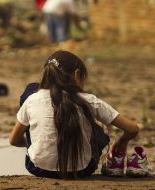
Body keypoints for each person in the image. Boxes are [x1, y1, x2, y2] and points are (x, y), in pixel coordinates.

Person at [9, 50, 153, 179]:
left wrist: (37, 142)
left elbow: (13, 140)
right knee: (98, 130)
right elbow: (132, 129)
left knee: (31, 88)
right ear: (77, 74)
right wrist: (122, 142)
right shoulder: (89, 101)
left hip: (39, 168)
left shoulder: (32, 99)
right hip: (82, 170)